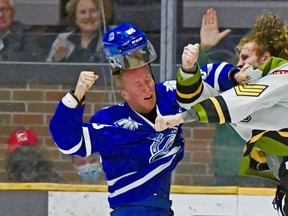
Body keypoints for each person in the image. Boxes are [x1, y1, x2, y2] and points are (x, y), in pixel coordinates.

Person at [49, 22, 188, 216]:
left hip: (162, 209)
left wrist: (235, 73)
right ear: (124, 93)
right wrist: (76, 96)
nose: (147, 88)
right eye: (138, 85)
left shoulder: (167, 96)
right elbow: (68, 143)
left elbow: (209, 81)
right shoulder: (109, 120)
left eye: (148, 81)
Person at [154, 17, 288, 214]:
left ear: (266, 58)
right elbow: (203, 97)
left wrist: (179, 118)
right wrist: (190, 69)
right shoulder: (247, 90)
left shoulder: (283, 75)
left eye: (245, 57)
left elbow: (233, 102)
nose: (239, 64)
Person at [46, 0, 113, 63]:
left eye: (93, 11)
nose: (88, 16)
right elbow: (45, 71)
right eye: (82, 12)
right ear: (75, 17)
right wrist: (56, 60)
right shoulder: (63, 38)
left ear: (103, 14)